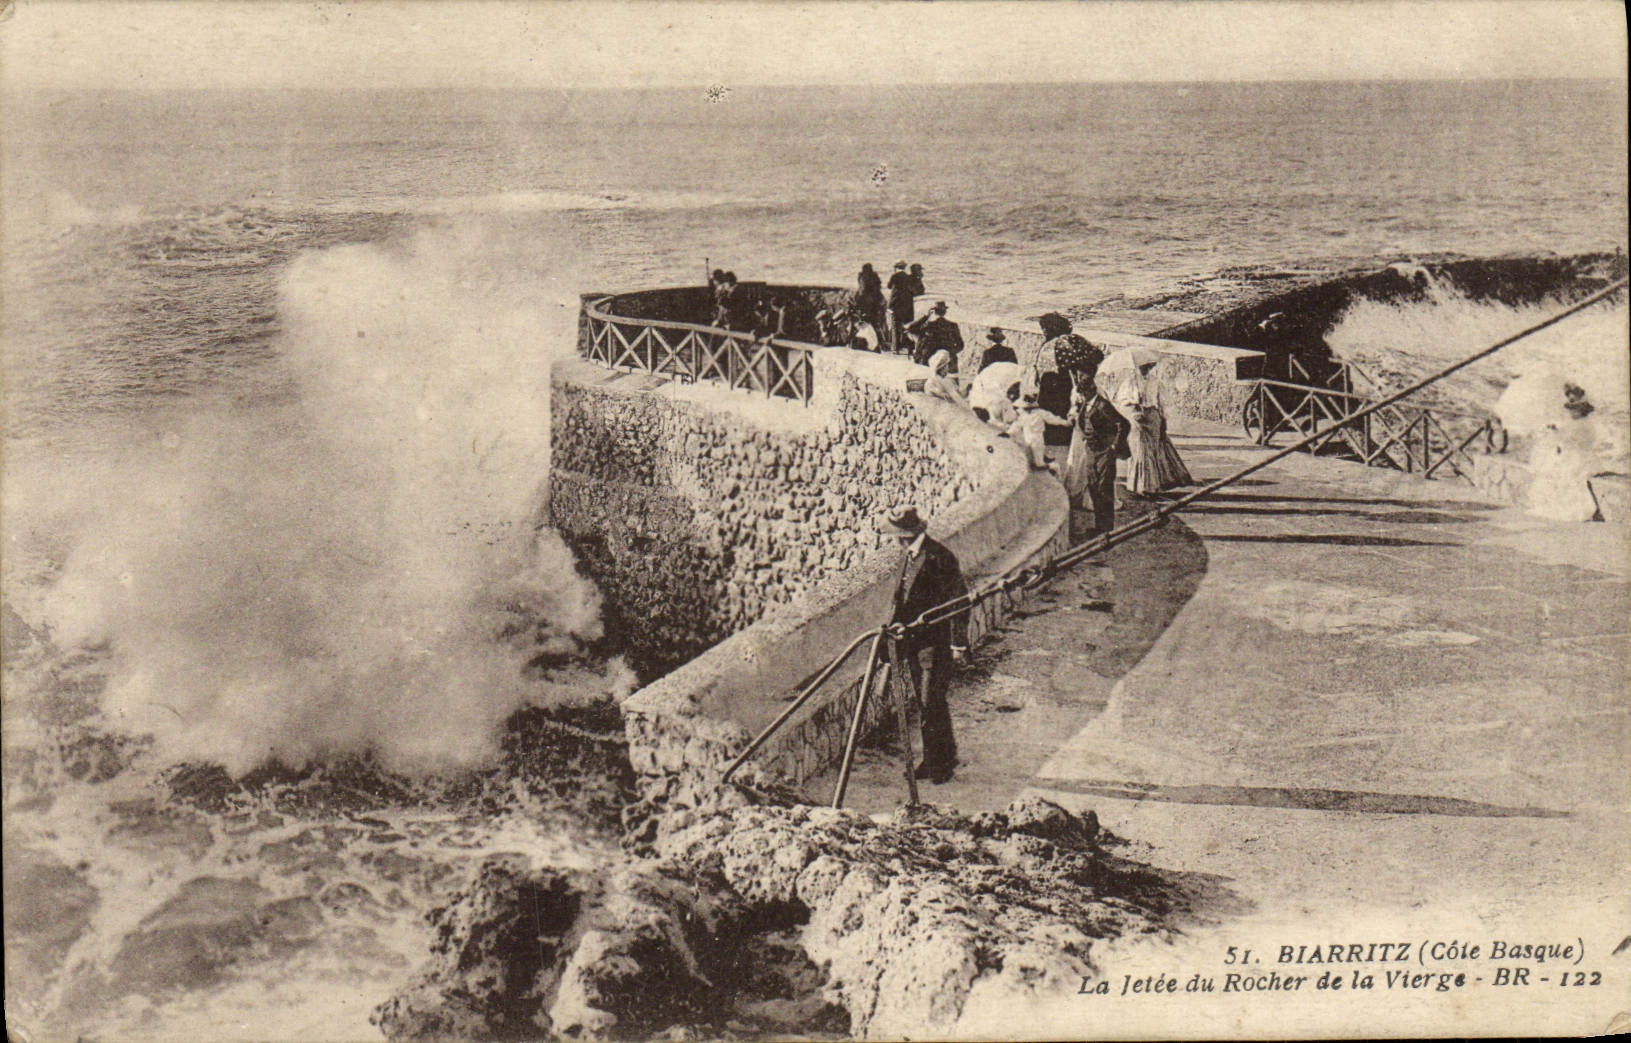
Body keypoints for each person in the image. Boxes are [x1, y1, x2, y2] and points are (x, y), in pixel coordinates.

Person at [883, 505, 968, 784]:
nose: (895, 540)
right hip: (914, 643)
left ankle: (940, 764)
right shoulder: (908, 556)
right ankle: (938, 758)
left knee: (932, 702)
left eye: (897, 535)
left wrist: (958, 644)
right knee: (926, 703)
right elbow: (901, 601)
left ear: (905, 535)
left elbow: (959, 600)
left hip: (936, 644)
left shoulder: (938, 557)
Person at [1102, 348, 1192, 496]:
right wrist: (1134, 402)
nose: (1147, 369)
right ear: (1137, 367)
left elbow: (1163, 402)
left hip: (1153, 418)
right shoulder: (1130, 382)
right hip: (1137, 418)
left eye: (1149, 366)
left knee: (1154, 450)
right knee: (1141, 450)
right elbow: (1122, 401)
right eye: (1144, 367)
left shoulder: (1155, 382)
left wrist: (1163, 418)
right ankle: (1143, 486)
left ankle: (1155, 483)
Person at [1028, 313, 1103, 443]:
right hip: (1065, 385)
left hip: (1054, 386)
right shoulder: (1073, 340)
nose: (1044, 331)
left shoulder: (1050, 346)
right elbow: (1096, 356)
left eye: (1045, 328)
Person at [1006, 390, 1073, 469]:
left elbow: (1053, 419)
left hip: (1037, 438)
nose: (1026, 409)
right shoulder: (1022, 414)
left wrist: (1067, 423)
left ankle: (1053, 467)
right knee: (1028, 462)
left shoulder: (1040, 413)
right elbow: (1016, 425)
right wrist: (1008, 433)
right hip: (1027, 438)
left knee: (1039, 463)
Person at [907, 301, 965, 368]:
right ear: (945, 312)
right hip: (948, 363)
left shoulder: (929, 326)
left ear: (934, 312)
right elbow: (960, 345)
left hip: (928, 360)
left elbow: (910, 329)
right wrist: (949, 353)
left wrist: (926, 316)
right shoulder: (953, 326)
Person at [887, 260, 916, 353]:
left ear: (896, 268)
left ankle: (895, 348)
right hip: (906, 306)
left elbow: (889, 286)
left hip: (895, 305)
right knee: (906, 327)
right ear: (904, 267)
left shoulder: (894, 276)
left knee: (895, 327)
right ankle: (909, 348)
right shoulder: (908, 277)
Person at [854, 263, 887, 342]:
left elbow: (862, 290)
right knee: (876, 322)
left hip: (865, 303)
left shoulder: (863, 277)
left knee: (864, 321)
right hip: (875, 303)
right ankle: (878, 340)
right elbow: (878, 290)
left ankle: (866, 339)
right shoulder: (875, 277)